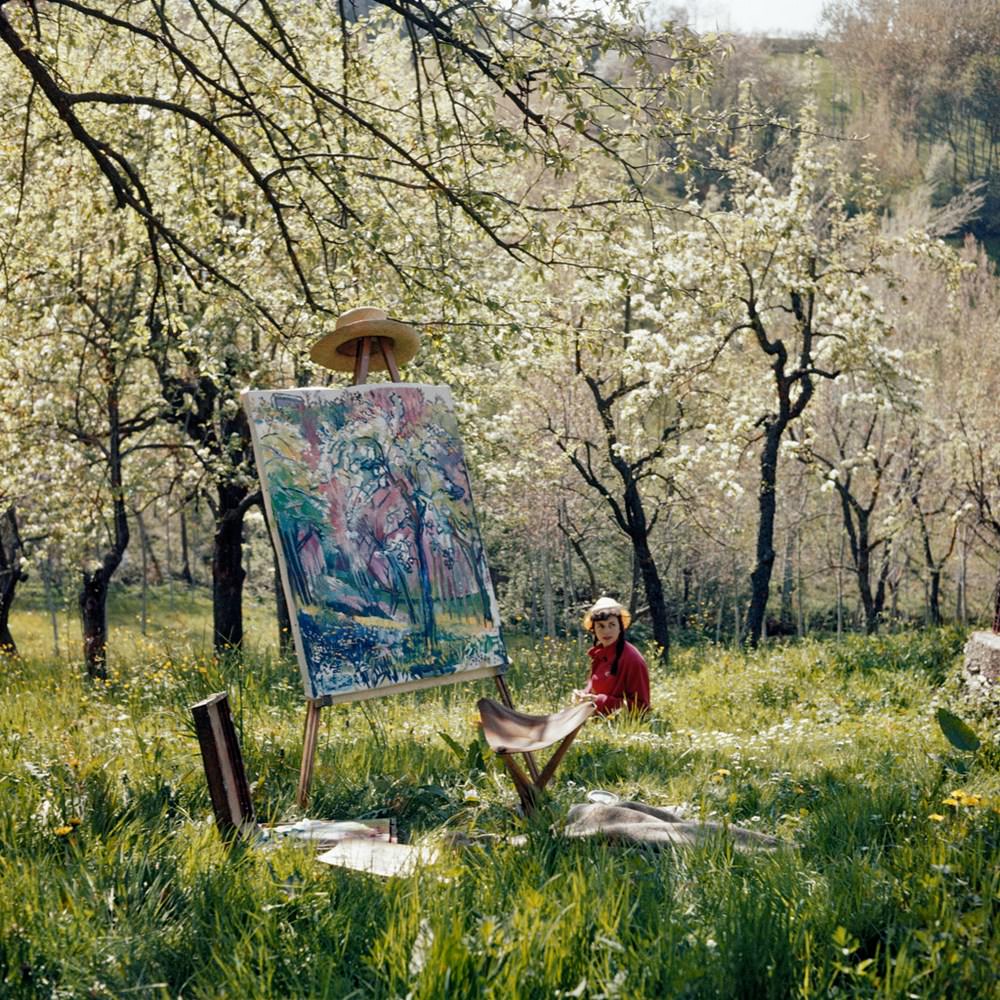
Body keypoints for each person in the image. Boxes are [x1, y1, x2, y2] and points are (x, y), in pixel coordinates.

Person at [574, 597, 650, 716]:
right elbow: (594, 688)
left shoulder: (632, 659)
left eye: (612, 624)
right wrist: (583, 695)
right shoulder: (599, 654)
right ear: (593, 629)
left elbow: (642, 707)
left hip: (620, 727)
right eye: (601, 626)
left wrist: (598, 701)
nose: (606, 631)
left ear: (620, 627)